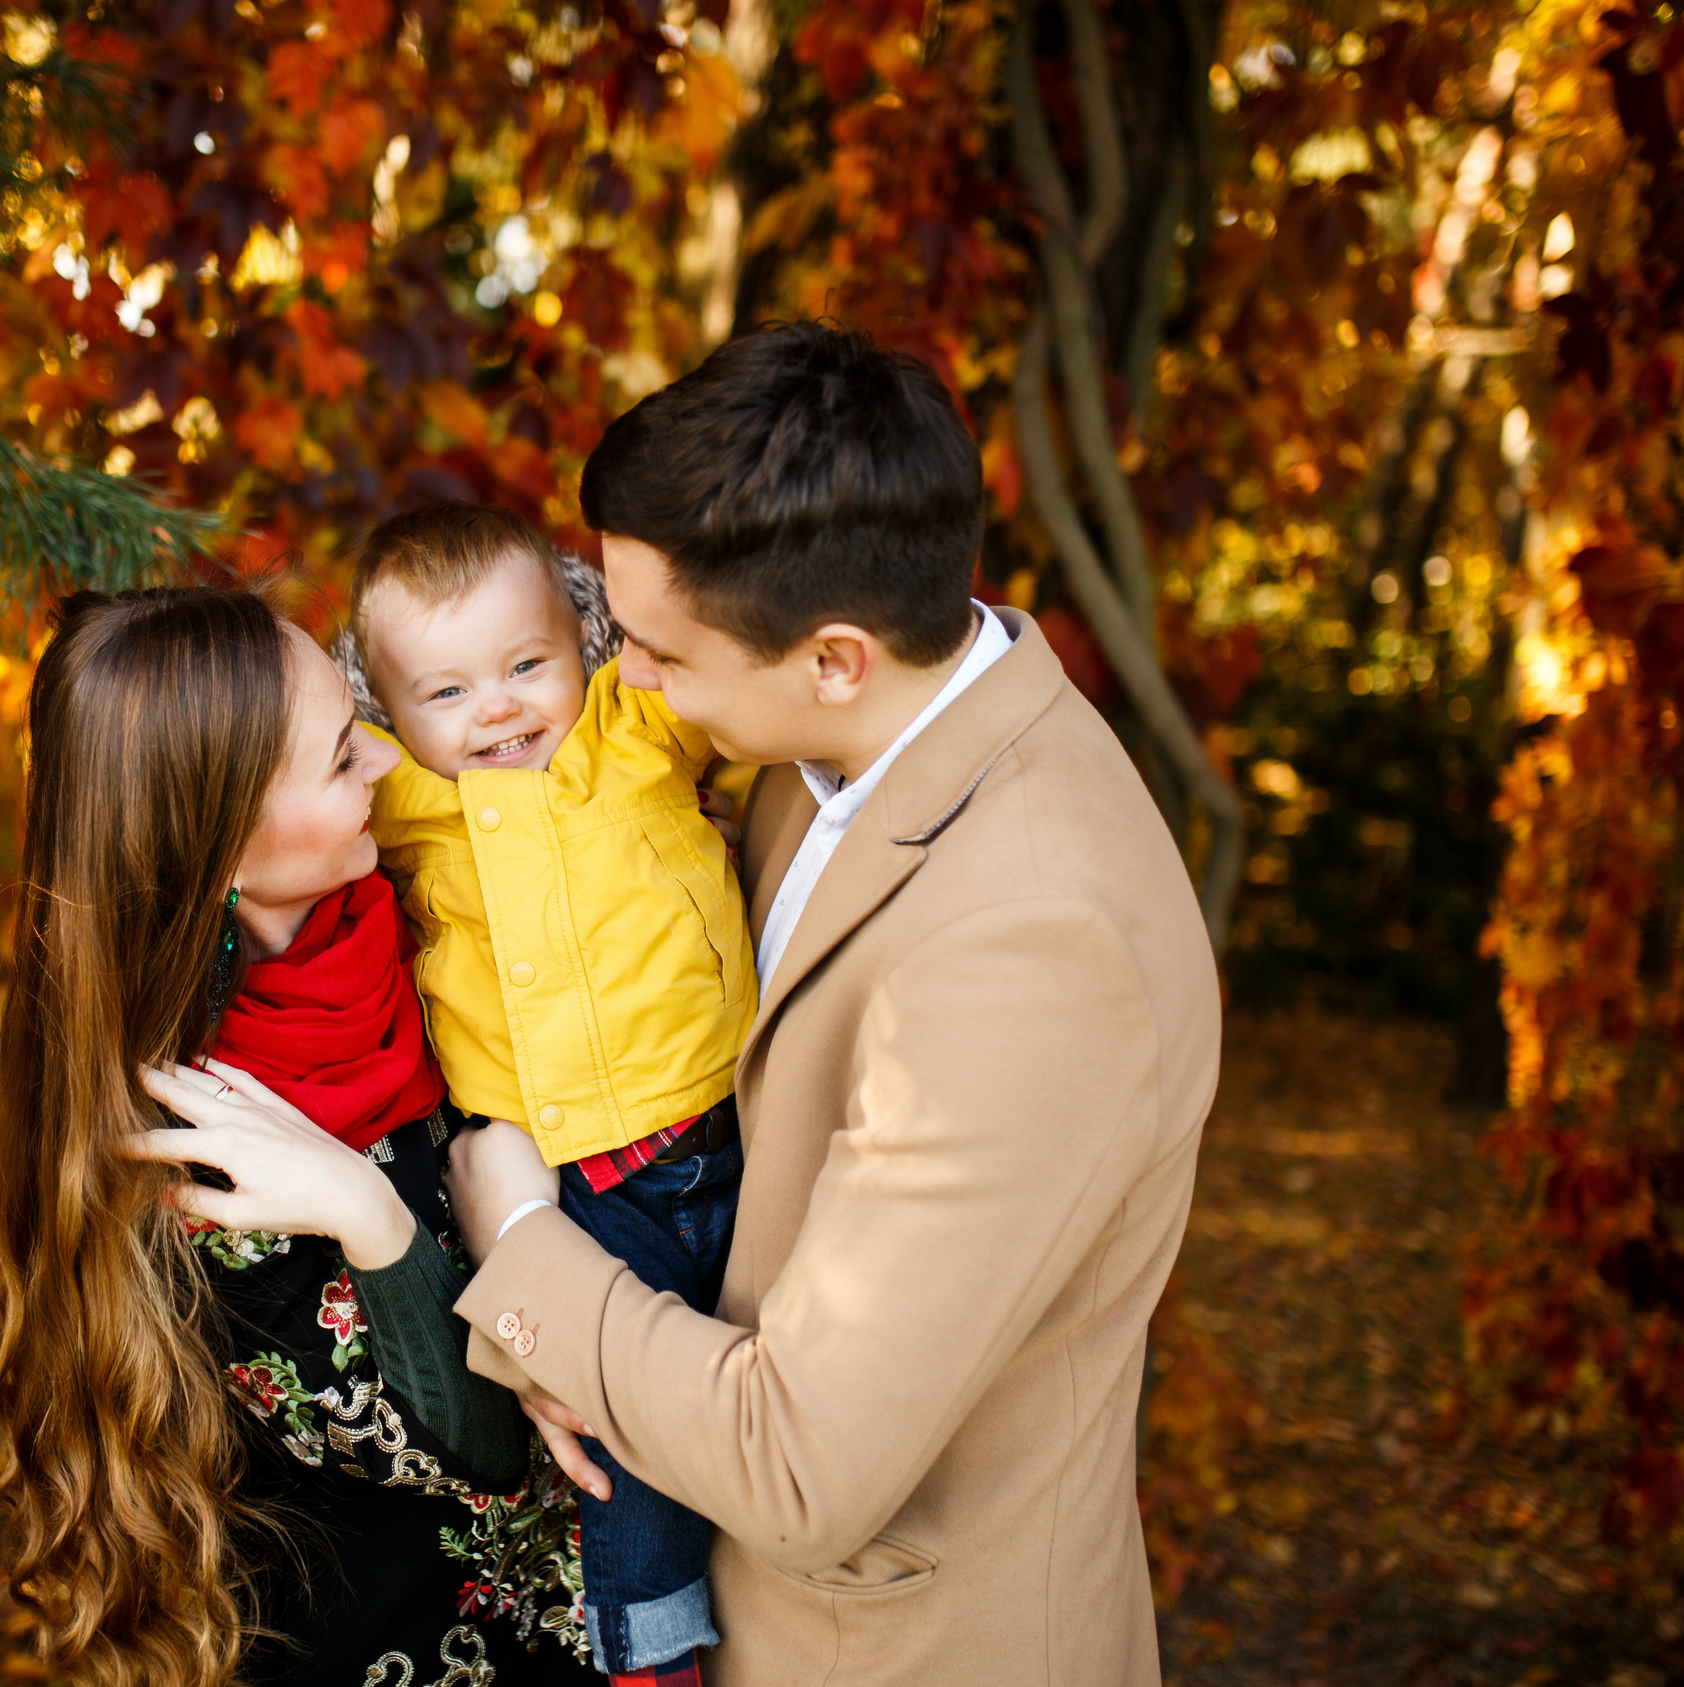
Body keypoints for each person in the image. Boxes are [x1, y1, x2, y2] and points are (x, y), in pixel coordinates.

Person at [442, 322, 1223, 1686]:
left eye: (664, 654)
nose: (628, 683)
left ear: (836, 655)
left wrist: (518, 1240)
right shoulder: (822, 754)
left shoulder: (1034, 946)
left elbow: (802, 1460)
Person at [0, 588, 597, 1687]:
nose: (384, 763)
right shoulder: (188, 1146)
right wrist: (376, 1220)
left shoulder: (419, 908)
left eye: (355, 722)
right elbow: (486, 1452)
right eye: (335, 761)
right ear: (215, 849)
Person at [338, 501, 756, 1687]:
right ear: (387, 712)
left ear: (582, 646)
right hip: (580, 1189)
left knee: (770, 1401)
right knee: (619, 1433)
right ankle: (651, 1655)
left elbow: (717, 650)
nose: (500, 709)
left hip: (729, 1132)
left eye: (527, 666)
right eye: (448, 692)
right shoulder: (400, 808)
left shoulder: (627, 733)